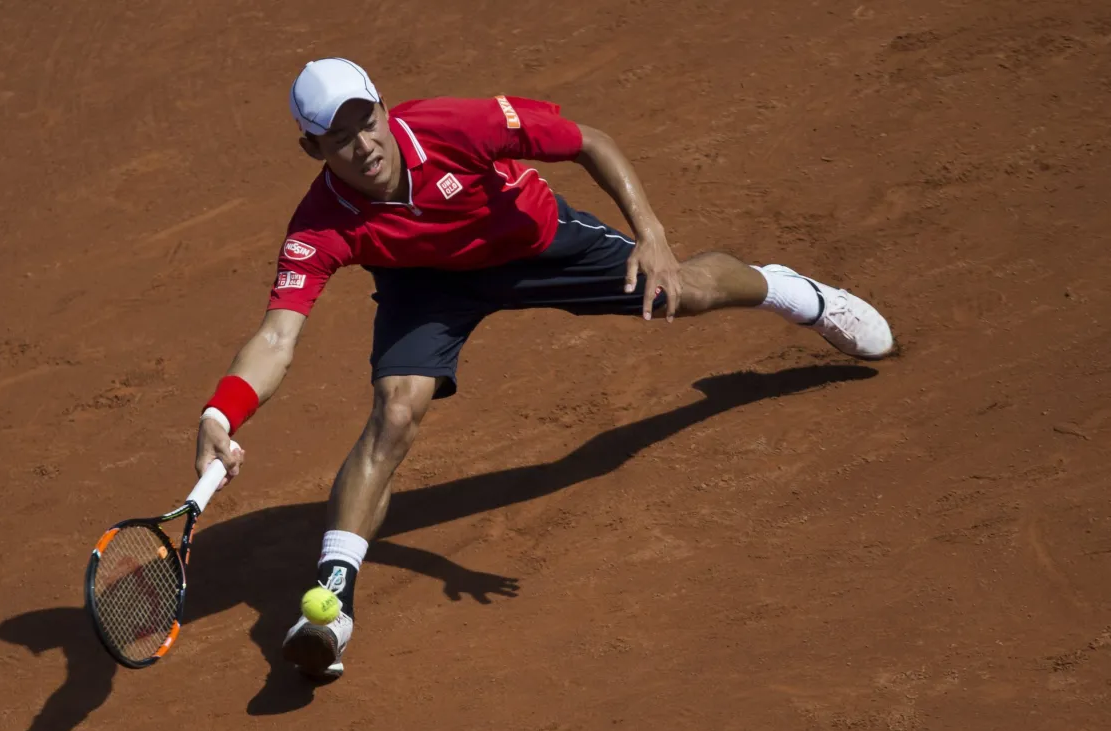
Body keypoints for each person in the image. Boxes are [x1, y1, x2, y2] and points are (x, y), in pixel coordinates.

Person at [193, 58, 894, 681]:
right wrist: (221, 413)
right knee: (396, 408)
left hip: (534, 240)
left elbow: (589, 141)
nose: (362, 144)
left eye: (366, 121)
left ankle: (800, 295)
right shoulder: (319, 223)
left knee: (679, 294)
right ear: (311, 147)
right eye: (338, 137)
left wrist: (651, 236)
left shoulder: (453, 127)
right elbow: (278, 336)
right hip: (428, 287)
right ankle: (333, 603)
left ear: (383, 108)